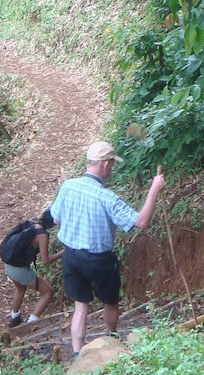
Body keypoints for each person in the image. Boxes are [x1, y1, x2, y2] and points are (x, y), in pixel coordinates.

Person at [49, 141, 166, 356]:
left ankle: (77, 354)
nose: (111, 168)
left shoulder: (68, 186)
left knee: (80, 306)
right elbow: (140, 222)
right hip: (99, 259)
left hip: (71, 255)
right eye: (111, 163)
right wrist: (154, 189)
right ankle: (111, 337)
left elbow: (56, 219)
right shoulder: (107, 197)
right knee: (111, 301)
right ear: (104, 164)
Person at [5, 207, 65, 327]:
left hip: (9, 264)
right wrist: (63, 253)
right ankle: (30, 324)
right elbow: (46, 260)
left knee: (21, 289)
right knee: (48, 292)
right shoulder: (42, 235)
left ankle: (14, 318)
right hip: (19, 269)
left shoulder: (32, 222)